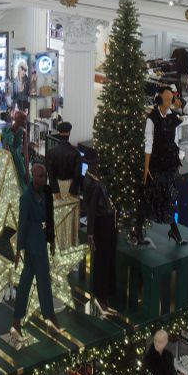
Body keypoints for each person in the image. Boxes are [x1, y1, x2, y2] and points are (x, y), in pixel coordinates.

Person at [11, 162, 59, 345]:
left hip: (42, 239)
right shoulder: (26, 199)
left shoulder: (46, 193)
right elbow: (22, 225)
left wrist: (52, 238)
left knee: (25, 282)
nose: (44, 178)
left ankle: (16, 319)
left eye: (45, 175)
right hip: (33, 244)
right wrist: (18, 249)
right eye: (41, 176)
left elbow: (50, 215)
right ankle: (50, 316)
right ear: (33, 176)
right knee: (43, 280)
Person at [138, 86, 185, 245]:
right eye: (166, 99)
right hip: (156, 164)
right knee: (149, 195)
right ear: (160, 100)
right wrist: (146, 167)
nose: (169, 102)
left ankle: (174, 231)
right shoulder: (152, 118)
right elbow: (148, 143)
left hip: (170, 164)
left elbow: (176, 142)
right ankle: (138, 231)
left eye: (171, 99)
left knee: (170, 197)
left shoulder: (174, 118)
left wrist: (177, 160)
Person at [83, 150, 117, 316]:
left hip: (108, 221)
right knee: (102, 260)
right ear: (90, 164)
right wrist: (90, 234)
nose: (98, 165)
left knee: (107, 258)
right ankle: (101, 296)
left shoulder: (96, 179)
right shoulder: (91, 183)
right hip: (101, 224)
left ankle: (105, 293)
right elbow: (90, 210)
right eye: (95, 163)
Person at [45, 121, 83, 198]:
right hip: (71, 187)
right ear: (69, 133)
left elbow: (50, 173)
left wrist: (55, 190)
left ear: (59, 133)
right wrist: (72, 191)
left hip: (56, 186)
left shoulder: (50, 152)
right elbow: (78, 174)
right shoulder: (76, 153)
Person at [1, 110, 28, 189]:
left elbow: (26, 154)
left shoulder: (23, 132)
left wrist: (26, 170)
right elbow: (5, 150)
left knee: (21, 185)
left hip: (18, 161)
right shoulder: (5, 131)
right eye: (24, 119)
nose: (26, 122)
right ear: (18, 120)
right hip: (8, 161)